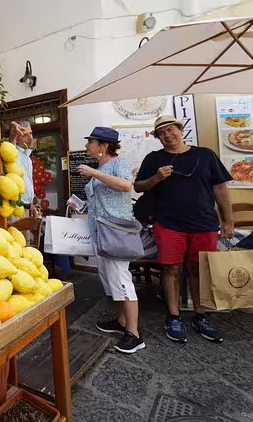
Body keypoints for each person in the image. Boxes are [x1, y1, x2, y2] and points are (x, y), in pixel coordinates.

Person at [134, 115, 234, 344]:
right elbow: (138, 187)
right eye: (161, 133)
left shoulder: (205, 155)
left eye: (171, 130)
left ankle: (201, 316)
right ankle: (173, 316)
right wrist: (156, 178)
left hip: (205, 223)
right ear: (158, 138)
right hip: (168, 224)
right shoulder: (153, 159)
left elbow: (220, 189)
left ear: (181, 130)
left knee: (200, 270)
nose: (167, 135)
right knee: (171, 270)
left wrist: (228, 221)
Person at [72, 127, 144, 354]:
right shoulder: (101, 167)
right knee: (112, 279)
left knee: (122, 280)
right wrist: (78, 205)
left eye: (89, 142)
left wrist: (94, 174)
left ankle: (134, 334)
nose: (86, 146)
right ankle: (121, 321)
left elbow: (125, 186)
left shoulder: (117, 163)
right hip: (102, 232)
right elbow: (98, 202)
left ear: (103, 145)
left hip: (116, 232)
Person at [8, 121, 36, 215]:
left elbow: (29, 181)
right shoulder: (13, 153)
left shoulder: (27, 157)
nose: (30, 138)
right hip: (16, 209)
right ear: (18, 137)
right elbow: (10, 146)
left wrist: (31, 203)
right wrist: (13, 135)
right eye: (25, 135)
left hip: (28, 208)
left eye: (31, 133)